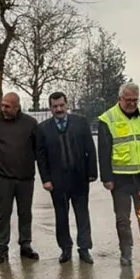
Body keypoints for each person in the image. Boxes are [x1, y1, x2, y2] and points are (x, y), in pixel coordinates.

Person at [98, 82, 140, 266]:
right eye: (128, 100)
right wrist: (107, 178)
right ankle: (126, 252)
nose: (132, 103)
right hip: (120, 179)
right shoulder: (108, 118)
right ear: (120, 99)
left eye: (135, 100)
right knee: (123, 220)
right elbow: (104, 151)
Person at [37, 91, 97, 264]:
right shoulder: (43, 129)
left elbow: (90, 149)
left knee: (82, 214)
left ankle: (84, 248)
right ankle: (65, 248)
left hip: (79, 178)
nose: (59, 109)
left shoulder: (80, 122)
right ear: (50, 108)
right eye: (55, 106)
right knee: (61, 216)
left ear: (67, 104)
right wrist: (46, 179)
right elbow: (41, 157)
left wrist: (92, 172)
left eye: (61, 105)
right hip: (57, 181)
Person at [0, 92, 41, 264]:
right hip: (4, 179)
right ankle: (2, 248)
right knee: (4, 214)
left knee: (25, 213)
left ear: (17, 107)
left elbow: (37, 148)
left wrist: (25, 160)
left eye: (7, 106)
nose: (3, 109)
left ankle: (25, 244)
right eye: (2, 105)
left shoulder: (30, 123)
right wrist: (0, 161)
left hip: (25, 178)